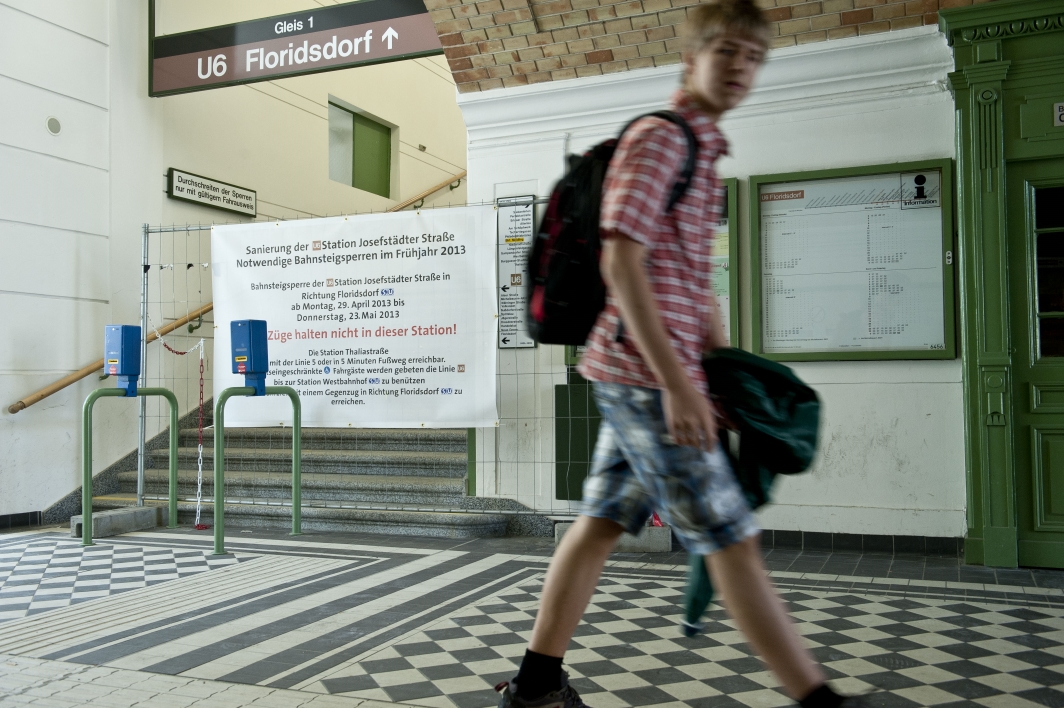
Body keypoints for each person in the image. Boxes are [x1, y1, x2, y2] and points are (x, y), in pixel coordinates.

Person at [495, 2, 869, 707]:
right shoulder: (663, 140)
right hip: (643, 378)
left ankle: (537, 685)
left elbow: (693, 284)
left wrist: (718, 372)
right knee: (730, 539)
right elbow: (623, 264)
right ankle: (819, 699)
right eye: (726, 51)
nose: (740, 68)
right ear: (690, 59)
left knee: (601, 523)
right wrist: (679, 386)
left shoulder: (705, 153)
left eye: (754, 57)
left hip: (643, 375)